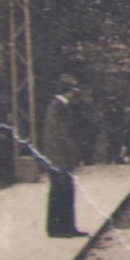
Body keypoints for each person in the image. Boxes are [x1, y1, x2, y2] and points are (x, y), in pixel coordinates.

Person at [41, 74, 86, 238]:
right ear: (68, 91)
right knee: (59, 193)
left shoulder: (61, 106)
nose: (75, 93)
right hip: (58, 158)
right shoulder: (56, 107)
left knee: (66, 192)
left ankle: (68, 227)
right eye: (73, 89)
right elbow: (59, 135)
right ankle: (57, 229)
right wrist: (67, 156)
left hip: (61, 158)